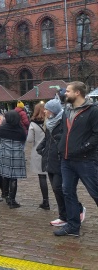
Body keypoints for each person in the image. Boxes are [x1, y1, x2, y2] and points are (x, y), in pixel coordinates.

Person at [55, 81, 98, 237]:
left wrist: (82, 148)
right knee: (68, 192)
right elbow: (64, 132)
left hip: (85, 160)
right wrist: (61, 145)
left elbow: (96, 135)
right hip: (67, 160)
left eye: (68, 91)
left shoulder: (93, 111)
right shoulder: (67, 110)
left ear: (77, 93)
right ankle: (73, 226)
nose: (65, 93)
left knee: (95, 192)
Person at [37, 97, 86, 227]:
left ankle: (74, 211)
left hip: (60, 161)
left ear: (52, 110)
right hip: (49, 160)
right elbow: (47, 139)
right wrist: (41, 149)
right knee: (56, 189)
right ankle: (64, 215)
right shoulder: (49, 122)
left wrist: (59, 150)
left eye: (46, 109)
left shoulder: (64, 122)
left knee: (61, 189)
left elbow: (67, 140)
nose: (44, 112)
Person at [0, 110, 27, 209]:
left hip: (4, 153)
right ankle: (12, 200)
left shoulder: (3, 129)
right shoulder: (21, 130)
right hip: (16, 154)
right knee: (14, 178)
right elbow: (23, 140)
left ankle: (6, 195)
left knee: (5, 174)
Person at [27, 103, 49, 210]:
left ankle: (46, 201)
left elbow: (30, 139)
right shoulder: (51, 121)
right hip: (51, 150)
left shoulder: (33, 124)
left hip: (38, 151)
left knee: (42, 176)